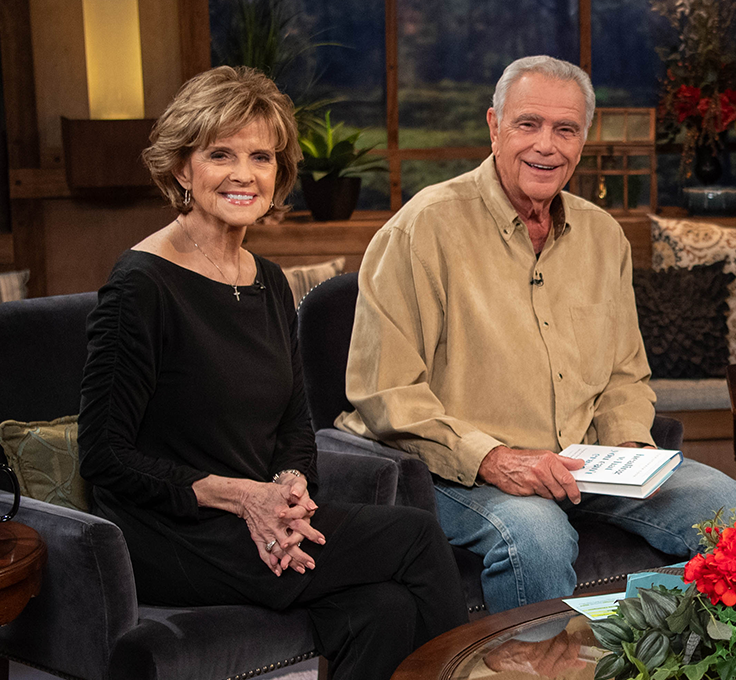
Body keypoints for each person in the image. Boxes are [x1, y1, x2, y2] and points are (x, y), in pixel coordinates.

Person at [79, 66, 467, 679]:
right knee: (416, 537)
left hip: (257, 519)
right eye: (220, 154)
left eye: (261, 156)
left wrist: (287, 491)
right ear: (183, 168)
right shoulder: (140, 285)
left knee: (383, 609)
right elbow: (104, 456)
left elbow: (294, 423)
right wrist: (241, 497)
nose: (244, 174)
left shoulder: (268, 282)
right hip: (170, 533)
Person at [336, 55, 736, 613]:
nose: (546, 146)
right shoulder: (423, 228)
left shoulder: (603, 236)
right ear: (494, 125)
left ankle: (650, 663)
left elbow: (624, 375)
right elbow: (386, 391)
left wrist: (630, 447)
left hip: (581, 463)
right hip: (452, 468)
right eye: (527, 124)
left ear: (583, 139)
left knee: (733, 508)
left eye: (566, 130)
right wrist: (496, 458)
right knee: (535, 535)